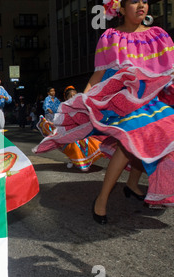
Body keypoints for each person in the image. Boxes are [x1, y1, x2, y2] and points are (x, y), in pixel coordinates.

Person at [35, 0, 174, 224]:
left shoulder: (158, 35)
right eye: (134, 1)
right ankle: (101, 199)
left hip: (150, 101)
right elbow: (98, 75)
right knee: (130, 140)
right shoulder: (111, 37)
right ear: (120, 8)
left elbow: (169, 72)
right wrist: (84, 100)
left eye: (145, 1)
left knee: (153, 139)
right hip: (122, 102)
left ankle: (131, 184)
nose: (142, 6)